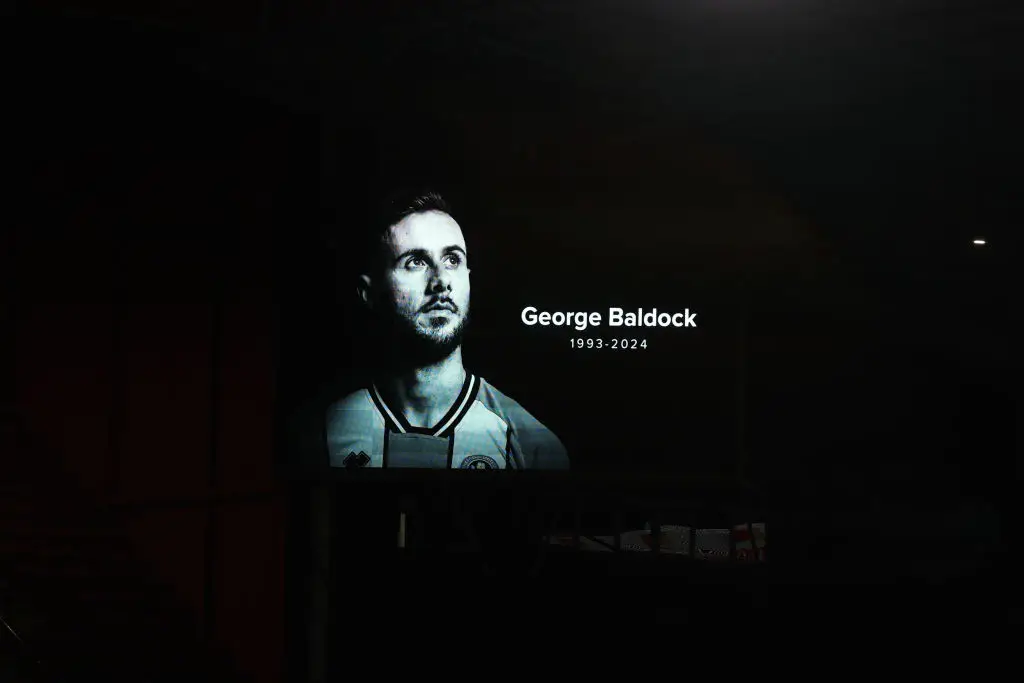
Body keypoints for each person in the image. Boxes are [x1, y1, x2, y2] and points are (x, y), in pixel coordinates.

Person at [325, 190, 569, 470]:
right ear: (369, 293)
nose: (441, 281)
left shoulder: (532, 446)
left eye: (452, 260)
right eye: (416, 262)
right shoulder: (323, 435)